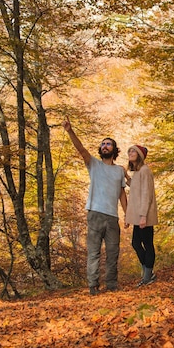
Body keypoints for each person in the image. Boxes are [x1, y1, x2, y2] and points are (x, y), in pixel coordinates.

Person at [63, 117, 128, 295]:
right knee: (94, 252)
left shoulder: (119, 171)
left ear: (114, 150)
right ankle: (93, 286)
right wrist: (70, 131)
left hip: (113, 217)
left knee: (113, 252)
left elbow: (122, 193)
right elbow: (81, 149)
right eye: (103, 144)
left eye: (109, 144)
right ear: (100, 149)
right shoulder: (93, 164)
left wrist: (127, 214)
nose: (105, 146)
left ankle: (112, 285)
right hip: (95, 214)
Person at [125, 145, 158, 287]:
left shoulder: (145, 170)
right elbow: (135, 187)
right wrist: (126, 176)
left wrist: (143, 215)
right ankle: (148, 274)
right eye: (130, 151)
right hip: (139, 216)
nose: (131, 153)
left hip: (144, 215)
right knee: (136, 243)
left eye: (134, 151)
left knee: (147, 244)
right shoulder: (137, 172)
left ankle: (147, 277)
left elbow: (146, 194)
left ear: (140, 155)